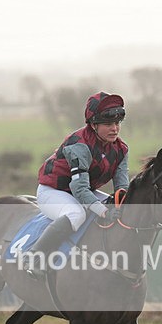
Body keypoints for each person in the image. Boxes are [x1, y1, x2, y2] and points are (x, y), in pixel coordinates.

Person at [23, 91, 129, 279]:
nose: (114, 129)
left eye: (117, 123)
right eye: (108, 124)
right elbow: (79, 189)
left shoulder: (121, 149)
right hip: (53, 192)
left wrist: (121, 203)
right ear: (94, 125)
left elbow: (122, 188)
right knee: (76, 214)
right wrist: (104, 211)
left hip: (83, 190)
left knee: (116, 205)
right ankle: (34, 257)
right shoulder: (79, 145)